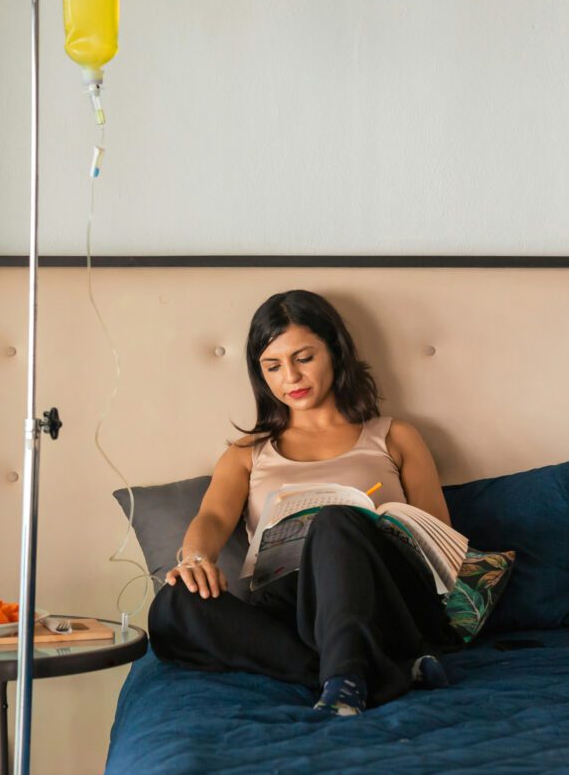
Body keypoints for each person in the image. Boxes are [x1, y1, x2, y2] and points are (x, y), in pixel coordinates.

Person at [148, 289, 463, 715]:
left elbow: (438, 542)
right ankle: (373, 670)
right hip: (292, 607)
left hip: (381, 599)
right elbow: (213, 516)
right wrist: (195, 558)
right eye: (273, 366)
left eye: (304, 358)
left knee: (334, 524)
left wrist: (366, 531)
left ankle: (348, 679)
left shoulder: (394, 436)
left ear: (334, 350)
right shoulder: (249, 452)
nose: (290, 378)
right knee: (173, 604)